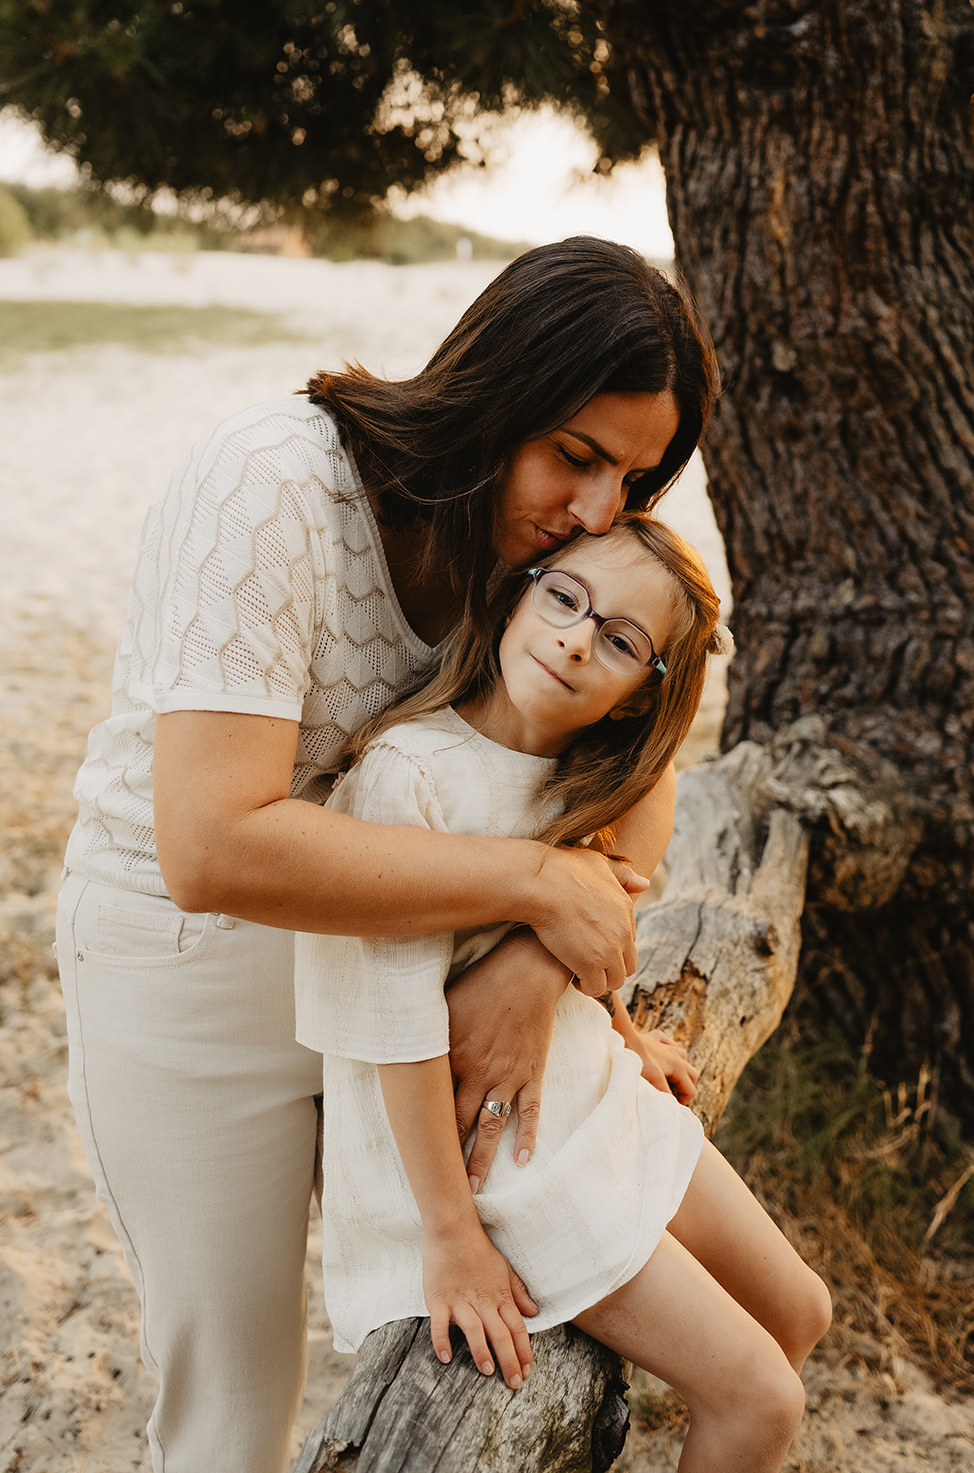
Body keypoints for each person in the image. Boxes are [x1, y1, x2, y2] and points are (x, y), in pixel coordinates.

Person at [54, 237, 720, 1473]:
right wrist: (531, 887)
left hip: (414, 968)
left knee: (488, 1327)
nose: (590, 511)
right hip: (190, 965)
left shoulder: (537, 552)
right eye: (575, 453)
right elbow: (212, 845)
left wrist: (534, 963)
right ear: (495, 383)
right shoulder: (267, 482)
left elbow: (638, 771)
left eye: (628, 478)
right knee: (234, 1406)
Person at [298, 514, 832, 1473]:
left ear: (640, 695)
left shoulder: (582, 774)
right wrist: (453, 1237)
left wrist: (627, 1032)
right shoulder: (408, 778)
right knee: (762, 1403)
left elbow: (570, 941)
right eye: (564, 597)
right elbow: (388, 1024)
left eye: (622, 640)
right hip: (489, 1164)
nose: (578, 636)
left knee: (802, 1310)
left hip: (589, 1091)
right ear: (522, 592)